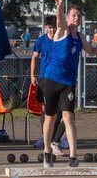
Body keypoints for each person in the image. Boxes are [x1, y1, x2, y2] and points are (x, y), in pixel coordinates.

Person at [42, 0, 97, 168]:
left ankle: (73, 157)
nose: (76, 17)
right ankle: (46, 153)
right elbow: (59, 18)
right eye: (73, 15)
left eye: (79, 16)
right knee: (50, 119)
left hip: (68, 83)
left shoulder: (81, 37)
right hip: (51, 80)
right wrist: (60, 6)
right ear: (68, 18)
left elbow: (92, 51)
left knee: (68, 117)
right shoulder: (62, 30)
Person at [30, 15, 66, 156]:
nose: (51, 30)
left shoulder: (61, 40)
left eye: (53, 28)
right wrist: (33, 75)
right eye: (49, 28)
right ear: (46, 27)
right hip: (44, 78)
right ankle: (44, 137)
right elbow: (34, 57)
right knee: (45, 110)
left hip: (59, 78)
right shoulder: (41, 40)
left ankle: (58, 139)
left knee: (62, 111)